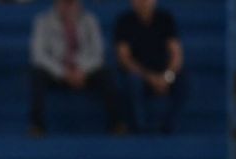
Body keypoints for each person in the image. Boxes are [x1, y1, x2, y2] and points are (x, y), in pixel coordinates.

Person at [29, 0, 123, 136]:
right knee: (36, 75)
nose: (68, 7)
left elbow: (98, 53)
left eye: (71, 3)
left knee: (106, 75)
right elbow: (38, 55)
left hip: (83, 71)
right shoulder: (43, 21)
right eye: (65, 3)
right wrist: (63, 72)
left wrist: (81, 70)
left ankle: (117, 124)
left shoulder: (90, 20)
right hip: (57, 72)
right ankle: (37, 126)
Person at [114, 0, 187, 134]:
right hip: (139, 76)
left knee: (183, 80)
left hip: (164, 75)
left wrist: (167, 77)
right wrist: (150, 78)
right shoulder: (124, 21)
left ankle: (169, 126)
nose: (143, 2)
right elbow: (124, 58)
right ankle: (140, 127)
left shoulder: (165, 19)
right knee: (132, 81)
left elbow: (177, 54)